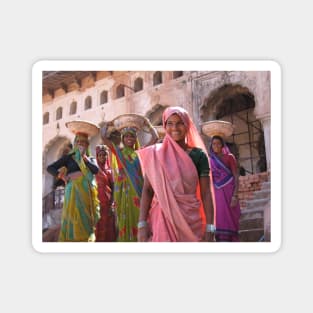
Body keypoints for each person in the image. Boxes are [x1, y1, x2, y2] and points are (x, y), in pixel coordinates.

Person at [137, 106, 215, 242]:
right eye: (170, 123)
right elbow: (147, 190)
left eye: (180, 123)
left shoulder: (198, 156)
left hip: (190, 220)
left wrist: (210, 227)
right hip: (162, 220)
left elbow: (206, 193)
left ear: (187, 125)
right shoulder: (155, 153)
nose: (175, 128)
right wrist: (142, 224)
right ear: (165, 126)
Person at [46, 132, 100, 242]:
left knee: (84, 216)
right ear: (75, 144)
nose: (81, 144)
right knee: (71, 214)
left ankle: (85, 240)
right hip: (72, 190)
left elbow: (95, 170)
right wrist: (62, 176)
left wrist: (84, 159)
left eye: (83, 142)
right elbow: (50, 168)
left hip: (85, 191)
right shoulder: (69, 158)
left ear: (87, 145)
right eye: (78, 142)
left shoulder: (90, 158)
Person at [101, 125, 151, 242]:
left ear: (135, 139)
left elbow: (155, 138)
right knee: (124, 217)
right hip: (123, 190)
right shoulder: (119, 151)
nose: (129, 138)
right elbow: (104, 139)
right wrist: (106, 127)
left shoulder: (139, 153)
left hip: (137, 189)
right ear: (123, 139)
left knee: (139, 214)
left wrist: (147, 125)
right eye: (126, 136)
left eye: (132, 136)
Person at [209, 135, 241, 242]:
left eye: (218, 143)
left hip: (229, 192)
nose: (216, 146)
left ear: (222, 145)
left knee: (231, 218)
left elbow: (236, 175)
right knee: (218, 217)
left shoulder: (229, 157)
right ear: (211, 146)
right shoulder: (210, 160)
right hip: (217, 193)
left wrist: (235, 195)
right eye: (214, 144)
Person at [94, 144, 116, 242]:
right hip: (97, 204)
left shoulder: (110, 171)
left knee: (108, 227)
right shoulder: (93, 171)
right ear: (97, 157)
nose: (103, 157)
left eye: (105, 155)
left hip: (107, 205)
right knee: (97, 227)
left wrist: (112, 203)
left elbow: (114, 188)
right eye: (100, 155)